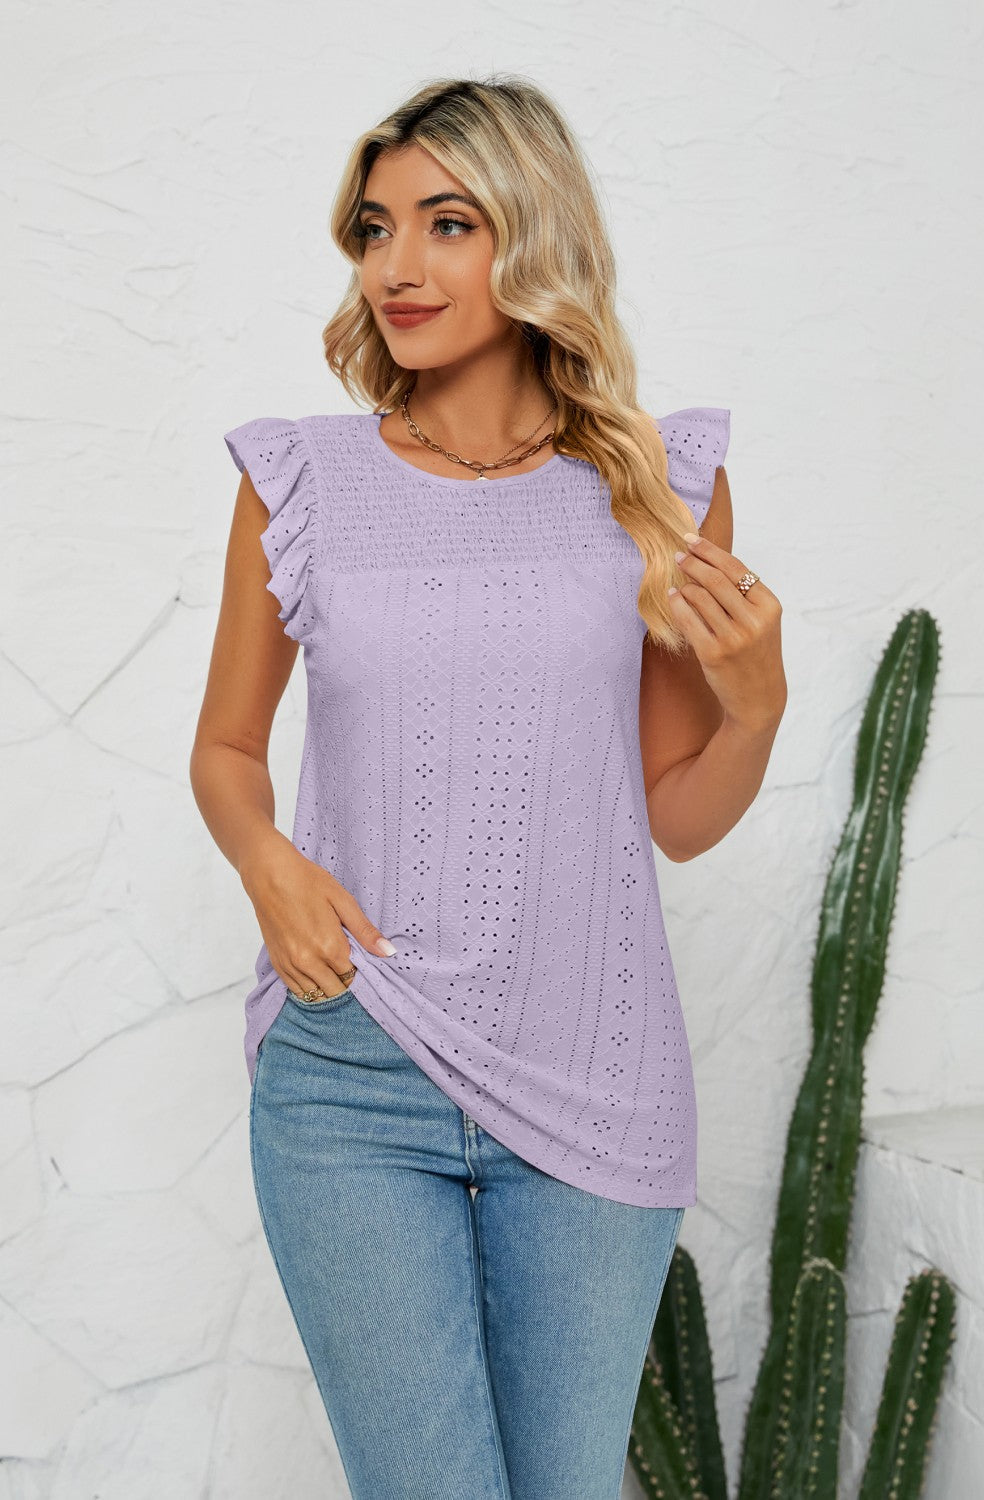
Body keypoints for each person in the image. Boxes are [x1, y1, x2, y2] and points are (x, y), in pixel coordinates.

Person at [190, 74, 786, 1500]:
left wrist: (757, 706)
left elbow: (677, 812)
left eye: (446, 223)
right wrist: (269, 862)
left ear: (535, 235)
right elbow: (226, 749)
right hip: (354, 1074)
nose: (396, 265)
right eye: (375, 227)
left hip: (592, 1079)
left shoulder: (658, 487)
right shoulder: (302, 480)